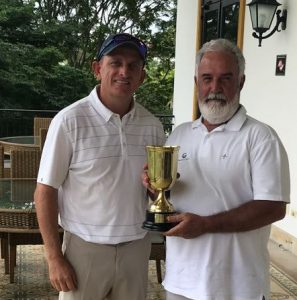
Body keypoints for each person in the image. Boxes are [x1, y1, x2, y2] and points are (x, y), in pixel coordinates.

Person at [143, 38, 290, 300]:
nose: (215, 88)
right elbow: (168, 200)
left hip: (237, 288)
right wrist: (155, 190)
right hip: (181, 282)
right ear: (197, 82)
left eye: (225, 79)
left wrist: (206, 225)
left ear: (241, 82)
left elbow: (273, 206)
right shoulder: (179, 135)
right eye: (207, 78)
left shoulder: (261, 137)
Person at [34, 32, 166, 300]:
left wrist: (158, 189)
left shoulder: (152, 126)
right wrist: (54, 258)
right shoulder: (69, 121)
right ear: (98, 69)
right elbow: (45, 191)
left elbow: (156, 193)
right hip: (84, 250)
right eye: (115, 62)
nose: (124, 71)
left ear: (142, 76)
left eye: (133, 66)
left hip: (135, 247)